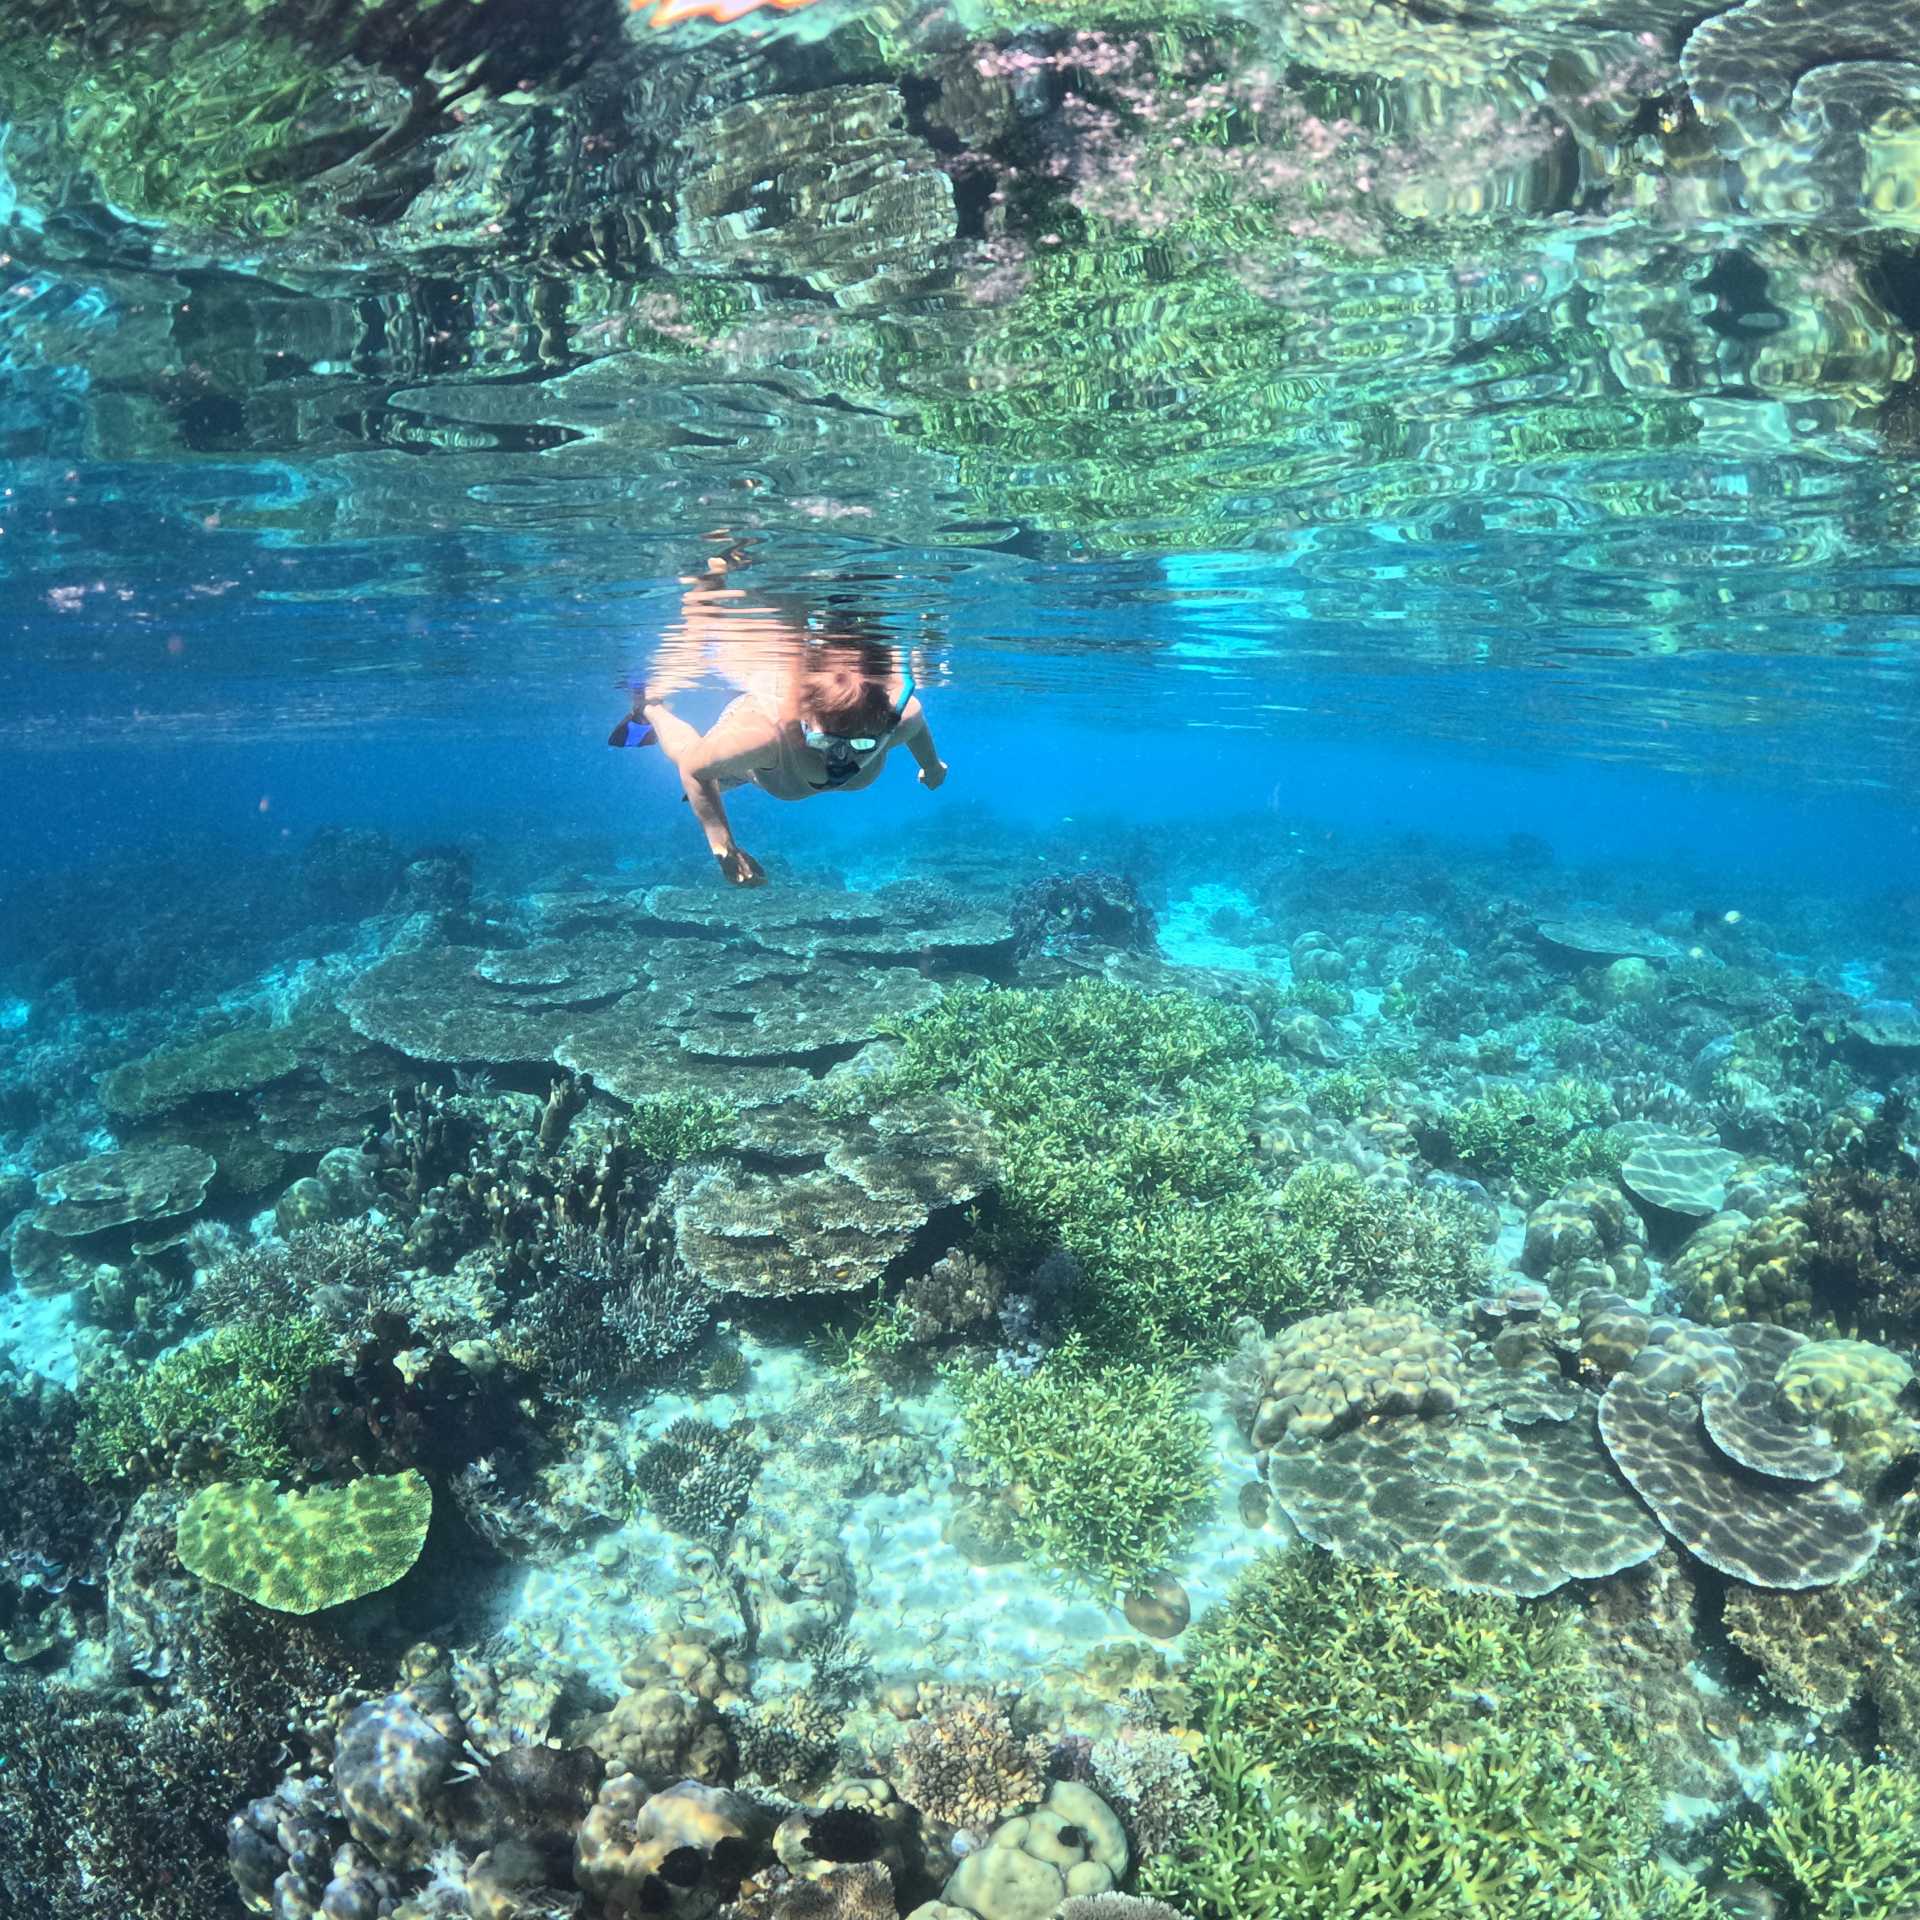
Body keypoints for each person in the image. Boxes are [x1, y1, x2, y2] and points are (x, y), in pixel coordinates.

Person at [613, 566, 948, 886]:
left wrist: (931, 765)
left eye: (862, 745)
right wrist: (724, 847)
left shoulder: (896, 720)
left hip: (780, 763)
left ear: (881, 724)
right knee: (696, 758)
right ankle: (651, 709)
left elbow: (915, 725)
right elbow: (692, 767)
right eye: (825, 742)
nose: (840, 760)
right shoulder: (765, 736)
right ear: (802, 726)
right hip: (760, 741)